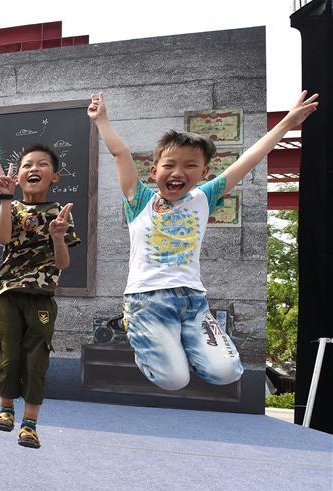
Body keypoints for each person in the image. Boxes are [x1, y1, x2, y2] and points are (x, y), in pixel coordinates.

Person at [88, 90, 319, 390]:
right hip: (148, 299)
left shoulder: (203, 197)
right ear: (154, 170)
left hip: (193, 301)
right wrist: (102, 120)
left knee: (227, 373)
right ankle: (136, 327)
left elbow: (250, 159)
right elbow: (121, 153)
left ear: (204, 172)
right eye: (169, 165)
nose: (177, 173)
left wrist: (286, 123)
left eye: (190, 166)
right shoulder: (139, 199)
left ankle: (175, 342)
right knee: (174, 380)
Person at [0, 147, 79, 448]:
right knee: (7, 353)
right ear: (19, 175)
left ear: (54, 176)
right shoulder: (12, 208)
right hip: (7, 293)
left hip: (41, 296)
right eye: (27, 165)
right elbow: (2, 237)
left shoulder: (60, 212)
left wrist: (57, 237)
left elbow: (63, 263)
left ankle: (30, 424)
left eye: (42, 165)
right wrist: (4, 198)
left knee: (36, 358)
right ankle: (5, 410)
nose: (33, 169)